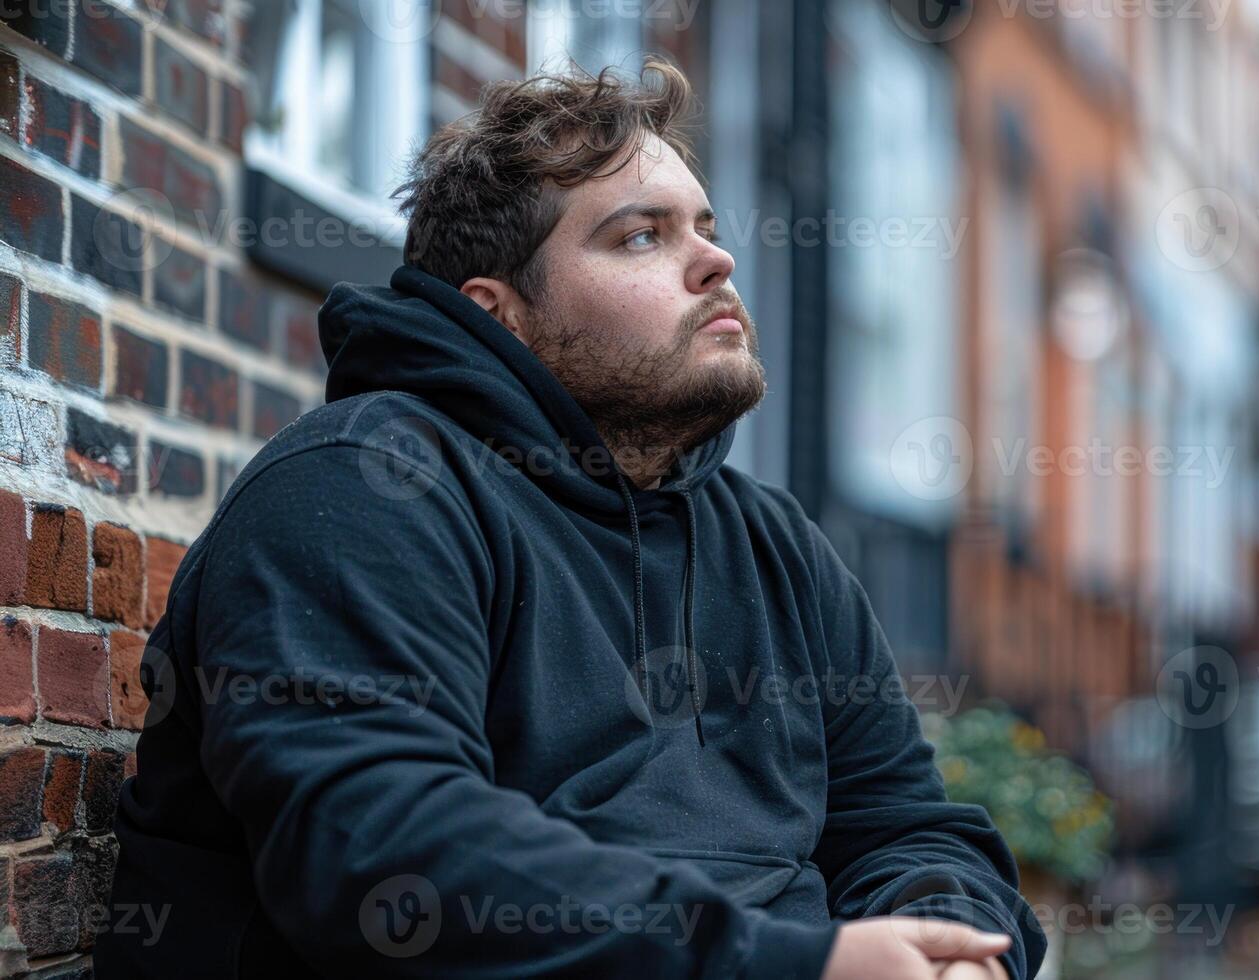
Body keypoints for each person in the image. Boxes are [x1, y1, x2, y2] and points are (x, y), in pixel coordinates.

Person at [97, 60, 1044, 980]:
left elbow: (905, 824)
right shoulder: (365, 489)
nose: (714, 260)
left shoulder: (773, 545)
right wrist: (794, 964)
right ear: (497, 315)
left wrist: (952, 947)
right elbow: (386, 857)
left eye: (705, 229)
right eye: (641, 236)